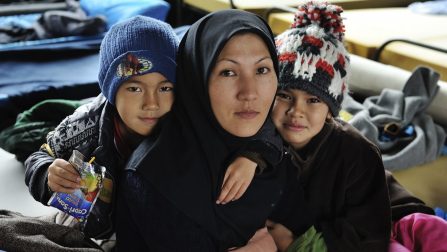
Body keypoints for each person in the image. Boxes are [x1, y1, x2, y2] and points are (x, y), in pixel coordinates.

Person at [116, 9, 286, 251]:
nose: (250, 93)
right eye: (228, 72)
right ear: (196, 78)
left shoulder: (279, 142)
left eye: (261, 70)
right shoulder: (153, 181)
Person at [24, 15, 179, 239]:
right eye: (135, 89)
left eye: (165, 88)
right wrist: (48, 174)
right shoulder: (85, 125)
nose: (151, 103)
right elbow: (40, 155)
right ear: (112, 93)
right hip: (96, 229)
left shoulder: (189, 121)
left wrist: (248, 155)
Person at [266, 2, 391, 251]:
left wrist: (295, 243)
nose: (296, 111)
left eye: (313, 100)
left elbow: (370, 236)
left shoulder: (358, 154)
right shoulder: (256, 139)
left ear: (330, 112)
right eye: (284, 95)